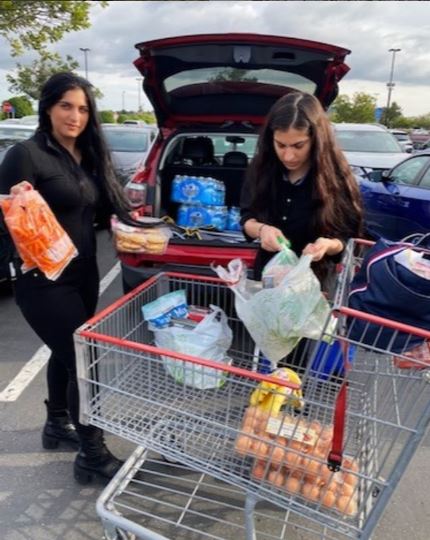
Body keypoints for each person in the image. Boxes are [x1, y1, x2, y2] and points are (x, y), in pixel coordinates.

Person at [0, 72, 130, 484]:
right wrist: (18, 219)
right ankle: (93, 453)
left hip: (85, 274)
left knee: (64, 352)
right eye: (66, 106)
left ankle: (58, 423)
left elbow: (109, 210)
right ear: (48, 108)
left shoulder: (88, 157)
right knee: (83, 356)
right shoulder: (25, 155)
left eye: (83, 108)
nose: (75, 116)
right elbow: (4, 220)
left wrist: (144, 228)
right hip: (43, 281)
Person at [240, 91, 363, 291]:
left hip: (316, 283)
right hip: (270, 276)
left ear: (316, 140)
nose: (288, 156)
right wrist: (262, 230)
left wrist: (327, 245)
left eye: (298, 146)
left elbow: (348, 238)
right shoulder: (261, 169)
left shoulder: (337, 177)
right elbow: (246, 218)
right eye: (281, 145)